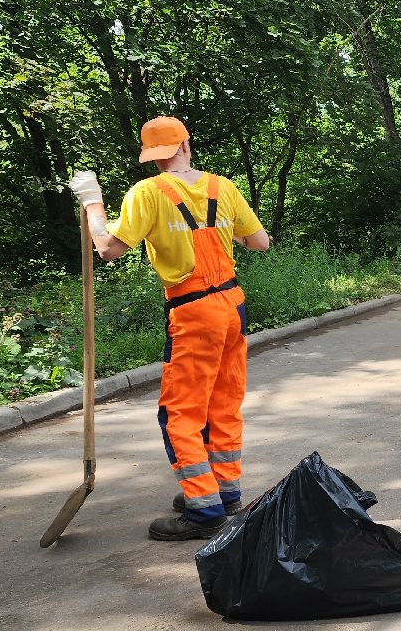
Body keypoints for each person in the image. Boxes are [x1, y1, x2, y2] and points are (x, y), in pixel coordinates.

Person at [67, 116, 271, 540]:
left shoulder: (148, 192)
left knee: (180, 414)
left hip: (194, 313)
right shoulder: (222, 187)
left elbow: (107, 248)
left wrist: (92, 202)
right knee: (223, 403)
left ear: (153, 156)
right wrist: (216, 230)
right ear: (186, 144)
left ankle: (204, 511)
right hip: (233, 306)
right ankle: (225, 493)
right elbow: (259, 242)